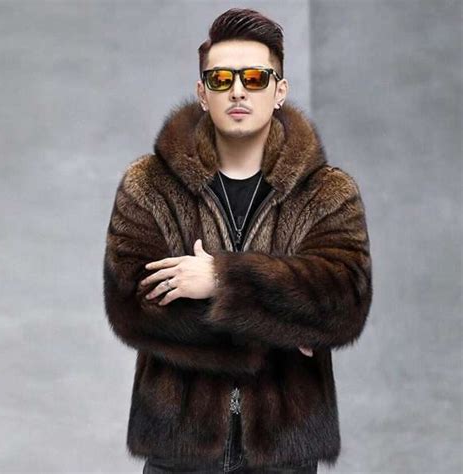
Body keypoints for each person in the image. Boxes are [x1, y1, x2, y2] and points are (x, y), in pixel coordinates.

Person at [103, 7, 373, 474]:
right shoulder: (149, 185)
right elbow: (132, 303)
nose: (238, 91)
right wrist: (283, 321)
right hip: (180, 451)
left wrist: (219, 279)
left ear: (279, 90)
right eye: (222, 78)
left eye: (254, 77)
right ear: (202, 92)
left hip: (283, 452)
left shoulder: (328, 192)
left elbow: (344, 302)